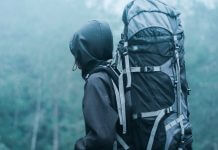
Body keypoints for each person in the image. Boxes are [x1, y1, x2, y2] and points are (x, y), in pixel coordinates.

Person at [69, 20, 133, 150]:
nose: (76, 61)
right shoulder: (114, 73)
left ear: (86, 52)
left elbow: (101, 138)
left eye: (78, 53)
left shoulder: (95, 81)